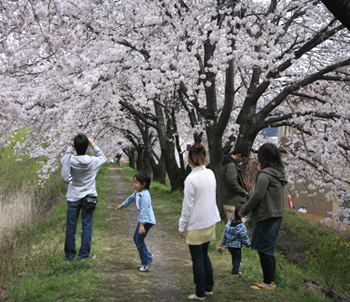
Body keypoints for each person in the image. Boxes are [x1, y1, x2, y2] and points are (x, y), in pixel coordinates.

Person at [239, 143, 287, 290]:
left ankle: (267, 283)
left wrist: (243, 211)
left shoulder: (265, 175)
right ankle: (270, 282)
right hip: (276, 215)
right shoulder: (279, 173)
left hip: (266, 215)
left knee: (264, 249)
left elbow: (257, 196)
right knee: (268, 249)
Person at [179, 144, 221, 301]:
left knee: (197, 258)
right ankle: (208, 287)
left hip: (196, 223)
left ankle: (200, 292)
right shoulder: (210, 173)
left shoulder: (191, 179)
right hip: (210, 221)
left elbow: (187, 206)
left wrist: (182, 226)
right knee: (204, 255)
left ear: (189, 159)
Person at [61, 134, 106, 260]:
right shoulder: (93, 161)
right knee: (87, 226)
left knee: (71, 227)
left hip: (73, 196)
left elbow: (65, 159)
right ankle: (84, 255)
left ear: (75, 145)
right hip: (89, 196)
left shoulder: (69, 159)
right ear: (87, 146)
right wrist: (93, 145)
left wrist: (71, 146)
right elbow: (103, 157)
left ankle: (69, 255)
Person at [115, 171, 156, 272]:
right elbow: (130, 199)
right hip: (143, 219)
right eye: (134, 182)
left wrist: (142, 225)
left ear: (144, 184)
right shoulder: (137, 192)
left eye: (136, 183)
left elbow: (144, 211)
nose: (134, 184)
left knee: (138, 239)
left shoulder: (145, 196)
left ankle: (147, 260)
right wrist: (123, 205)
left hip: (146, 220)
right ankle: (147, 255)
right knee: (137, 238)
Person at [216, 144, 250, 253]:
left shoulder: (225, 162)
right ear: (239, 155)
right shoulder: (231, 165)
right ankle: (223, 247)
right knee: (232, 225)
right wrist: (243, 191)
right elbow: (232, 182)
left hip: (228, 199)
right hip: (232, 200)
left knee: (230, 225)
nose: (242, 162)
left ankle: (223, 246)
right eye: (242, 159)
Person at [222, 206, 251, 276]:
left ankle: (234, 266)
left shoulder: (229, 223)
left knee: (234, 256)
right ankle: (235, 271)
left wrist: (224, 241)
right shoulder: (241, 226)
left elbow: (225, 233)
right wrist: (248, 244)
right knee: (238, 258)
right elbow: (243, 236)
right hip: (236, 245)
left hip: (229, 245)